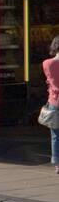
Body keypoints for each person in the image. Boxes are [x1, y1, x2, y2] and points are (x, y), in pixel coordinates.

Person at [44, 36, 59, 174]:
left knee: (55, 134)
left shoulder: (47, 63)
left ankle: (57, 163)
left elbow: (49, 81)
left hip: (54, 101)